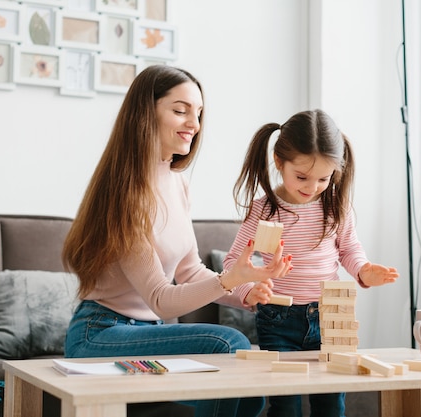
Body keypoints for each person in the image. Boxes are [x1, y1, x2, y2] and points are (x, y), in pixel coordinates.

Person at [61, 65, 293, 417]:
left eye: (198, 113)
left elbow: (190, 270)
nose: (194, 124)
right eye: (180, 110)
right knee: (227, 343)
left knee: (250, 390)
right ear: (145, 112)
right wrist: (230, 278)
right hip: (100, 334)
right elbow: (161, 300)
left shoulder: (176, 183)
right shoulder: (125, 195)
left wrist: (246, 289)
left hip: (150, 333)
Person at [223, 110, 399, 417]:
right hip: (277, 319)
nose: (313, 186)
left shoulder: (335, 208)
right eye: (302, 176)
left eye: (324, 178)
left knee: (331, 403)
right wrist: (250, 290)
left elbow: (349, 251)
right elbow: (233, 262)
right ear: (279, 162)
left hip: (329, 316)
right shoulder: (265, 210)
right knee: (285, 405)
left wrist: (364, 270)